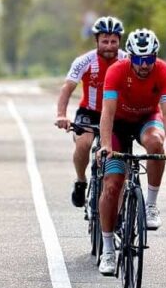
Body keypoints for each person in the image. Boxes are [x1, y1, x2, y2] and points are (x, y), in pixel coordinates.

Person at [95, 28, 166, 275]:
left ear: (155, 56)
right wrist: (105, 146)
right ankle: (109, 250)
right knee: (112, 185)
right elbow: (107, 112)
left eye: (149, 59)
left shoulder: (164, 71)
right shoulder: (117, 70)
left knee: (156, 142)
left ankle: (151, 205)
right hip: (118, 126)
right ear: (130, 56)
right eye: (139, 60)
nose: (144, 65)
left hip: (146, 119)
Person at [54, 16, 126, 208]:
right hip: (90, 112)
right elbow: (67, 88)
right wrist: (61, 114)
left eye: (113, 42)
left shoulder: (127, 59)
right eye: (105, 41)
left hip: (117, 115)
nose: (109, 46)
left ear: (119, 41)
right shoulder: (85, 61)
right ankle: (80, 181)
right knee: (84, 143)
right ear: (96, 41)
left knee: (120, 155)